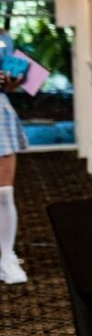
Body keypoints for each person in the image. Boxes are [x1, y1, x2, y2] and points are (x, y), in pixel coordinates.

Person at [0, 31, 27, 284]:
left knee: (4, 193)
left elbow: (7, 84)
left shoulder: (3, 38)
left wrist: (12, 81)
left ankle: (6, 256)